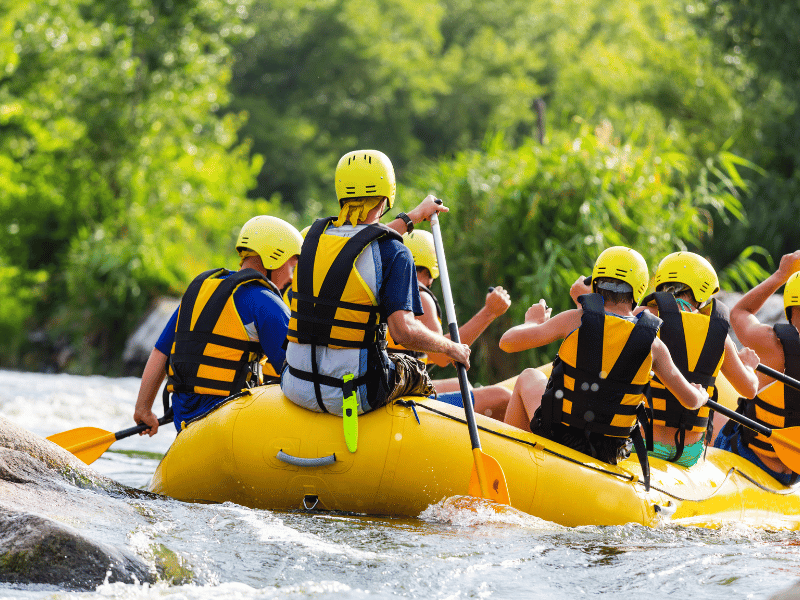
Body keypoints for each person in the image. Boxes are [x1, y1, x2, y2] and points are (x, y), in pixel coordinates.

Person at [281, 149, 471, 420]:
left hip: (296, 384)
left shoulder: (310, 239)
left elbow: (360, 242)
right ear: (387, 194)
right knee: (416, 371)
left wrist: (414, 216)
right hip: (353, 394)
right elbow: (403, 333)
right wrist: (451, 348)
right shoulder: (395, 252)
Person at [499, 246, 709, 478]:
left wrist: (532, 322)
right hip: (608, 451)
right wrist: (700, 394)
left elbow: (507, 343)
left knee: (529, 376)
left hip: (559, 433)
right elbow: (690, 401)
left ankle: (510, 464)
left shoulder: (574, 320)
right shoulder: (654, 344)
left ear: (597, 284)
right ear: (639, 290)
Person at [133, 215, 302, 435]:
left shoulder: (198, 293)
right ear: (274, 258)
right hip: (229, 422)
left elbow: (160, 352)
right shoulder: (266, 302)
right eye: (292, 266)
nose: (291, 278)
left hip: (186, 424)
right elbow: (297, 369)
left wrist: (143, 409)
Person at [635, 252, 759, 467]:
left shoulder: (642, 317)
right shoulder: (719, 335)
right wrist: (748, 366)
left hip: (642, 441)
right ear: (703, 293)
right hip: (689, 452)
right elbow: (749, 389)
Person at [387, 229, 512, 420]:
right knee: (502, 398)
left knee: (461, 385)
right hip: (402, 395)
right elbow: (442, 358)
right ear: (432, 263)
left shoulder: (391, 290)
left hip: (394, 383)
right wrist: (489, 312)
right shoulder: (420, 297)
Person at [715, 250, 800, 484]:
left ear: (790, 308)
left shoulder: (770, 341)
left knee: (714, 412)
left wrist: (781, 274)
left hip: (753, 458)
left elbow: (739, 312)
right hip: (795, 472)